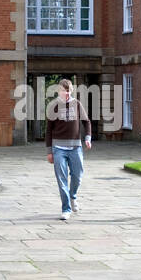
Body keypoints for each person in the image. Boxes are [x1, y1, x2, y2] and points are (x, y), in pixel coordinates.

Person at [45, 78, 91, 220]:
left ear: (71, 91)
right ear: (58, 91)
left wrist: (88, 138)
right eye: (62, 91)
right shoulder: (53, 106)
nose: (65, 93)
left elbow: (86, 122)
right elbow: (48, 130)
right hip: (58, 148)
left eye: (68, 91)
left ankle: (73, 196)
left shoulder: (77, 104)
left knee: (78, 176)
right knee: (62, 179)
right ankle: (66, 208)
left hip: (75, 147)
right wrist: (49, 152)